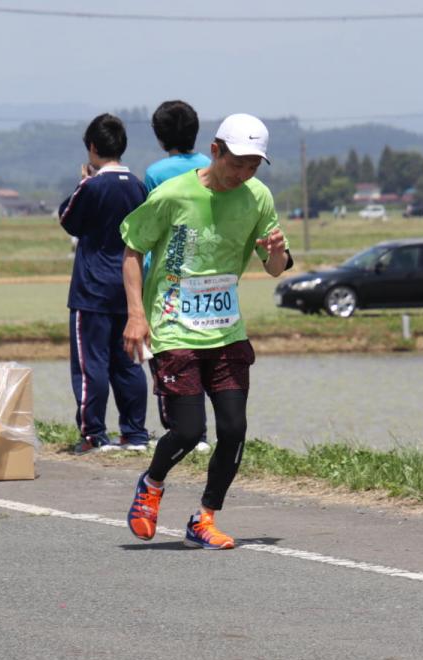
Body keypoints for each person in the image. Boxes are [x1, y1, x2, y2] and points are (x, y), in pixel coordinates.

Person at [120, 113, 291, 550]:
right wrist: (136, 315)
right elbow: (132, 250)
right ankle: (152, 483)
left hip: (226, 330)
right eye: (236, 164)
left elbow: (275, 267)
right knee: (188, 430)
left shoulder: (258, 198)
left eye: (253, 166)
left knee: (233, 429)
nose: (243, 174)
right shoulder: (172, 194)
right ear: (215, 151)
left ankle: (204, 518)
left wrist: (275, 252)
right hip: (174, 328)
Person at [59, 113, 150, 454]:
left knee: (91, 364)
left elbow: (68, 220)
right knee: (128, 363)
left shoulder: (93, 186)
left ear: (93, 147)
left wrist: (82, 182)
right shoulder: (138, 186)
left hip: (92, 288)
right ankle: (135, 433)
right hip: (129, 287)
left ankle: (94, 434)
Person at [143, 100, 213, 453]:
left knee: (170, 350)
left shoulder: (156, 173)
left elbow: (149, 227)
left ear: (159, 136)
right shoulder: (210, 166)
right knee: (203, 348)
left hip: (167, 274)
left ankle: (178, 429)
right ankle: (201, 432)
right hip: (205, 267)